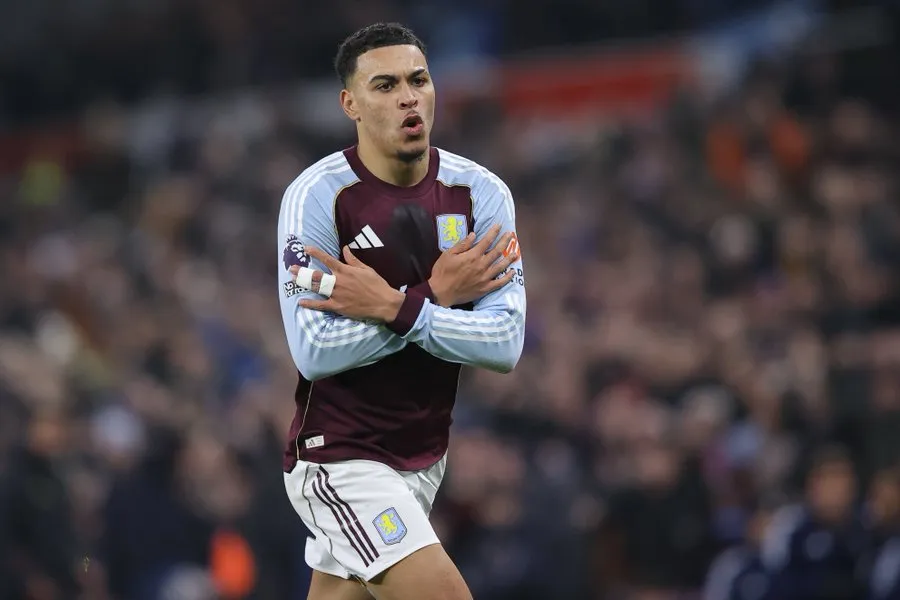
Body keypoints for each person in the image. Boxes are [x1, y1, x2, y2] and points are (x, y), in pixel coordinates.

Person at [275, 22, 527, 600]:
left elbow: (504, 341)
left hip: (423, 454)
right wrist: (432, 296)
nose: (408, 97)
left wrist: (395, 306)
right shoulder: (318, 196)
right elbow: (314, 349)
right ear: (351, 104)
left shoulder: (480, 194)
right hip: (339, 456)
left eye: (419, 80)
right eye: (385, 85)